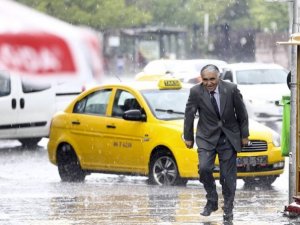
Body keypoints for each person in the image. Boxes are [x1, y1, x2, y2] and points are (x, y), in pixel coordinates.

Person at [183, 64, 249, 223]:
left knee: (227, 177)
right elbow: (189, 114)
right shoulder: (196, 92)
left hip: (228, 137)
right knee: (204, 168)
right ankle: (212, 199)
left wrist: (244, 135)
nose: (209, 83)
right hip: (206, 137)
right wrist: (188, 136)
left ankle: (228, 209)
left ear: (218, 77)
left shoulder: (231, 89)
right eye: (205, 80)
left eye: (212, 79)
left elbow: (242, 112)